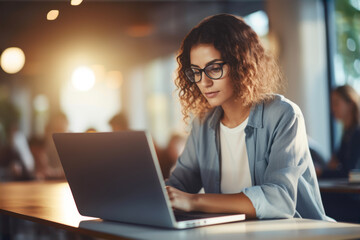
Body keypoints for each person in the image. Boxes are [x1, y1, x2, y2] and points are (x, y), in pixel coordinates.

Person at [165, 13, 332, 221]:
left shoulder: (283, 114)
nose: (204, 82)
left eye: (214, 68)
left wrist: (193, 201)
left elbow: (279, 200)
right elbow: (179, 184)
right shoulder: (203, 123)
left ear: (240, 63)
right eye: (196, 71)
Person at [319, 85, 360, 178]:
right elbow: (334, 163)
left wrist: (321, 172)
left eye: (336, 103)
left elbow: (349, 173)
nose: (333, 108)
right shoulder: (347, 133)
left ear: (350, 104)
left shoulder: (357, 134)